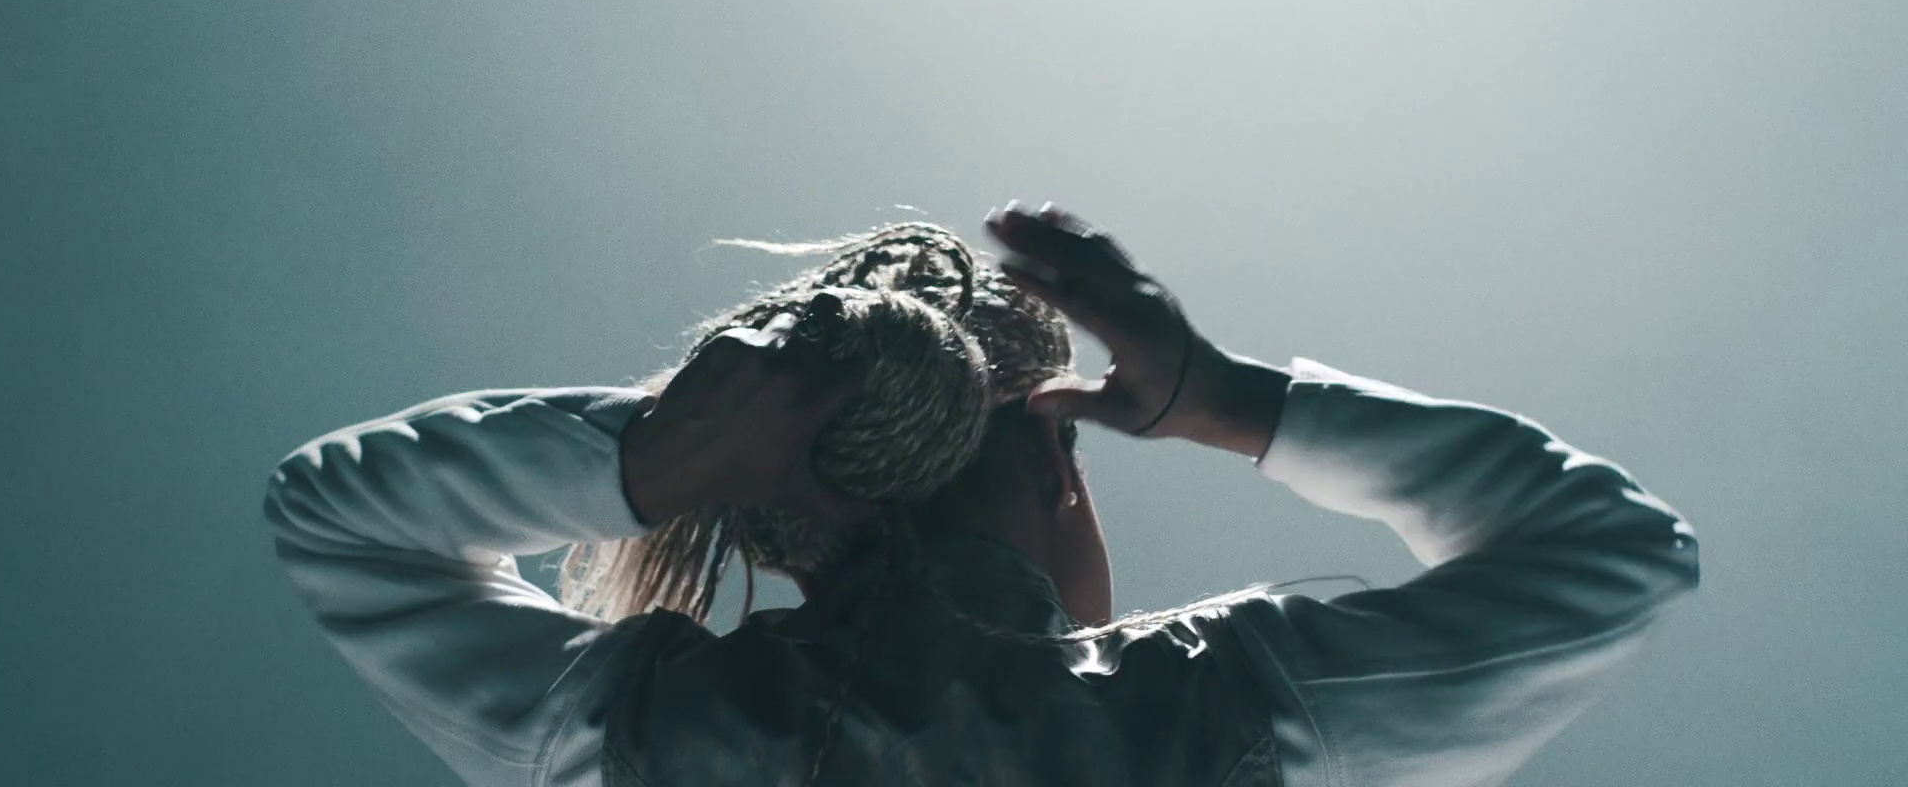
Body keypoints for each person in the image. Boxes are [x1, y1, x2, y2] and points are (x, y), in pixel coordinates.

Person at [265, 202, 1699, 787]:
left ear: (783, 510)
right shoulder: (1206, 706)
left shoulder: (646, 728)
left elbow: (336, 516)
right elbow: (1614, 557)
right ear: (1056, 467)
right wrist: (1225, 399)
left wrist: (651, 457)